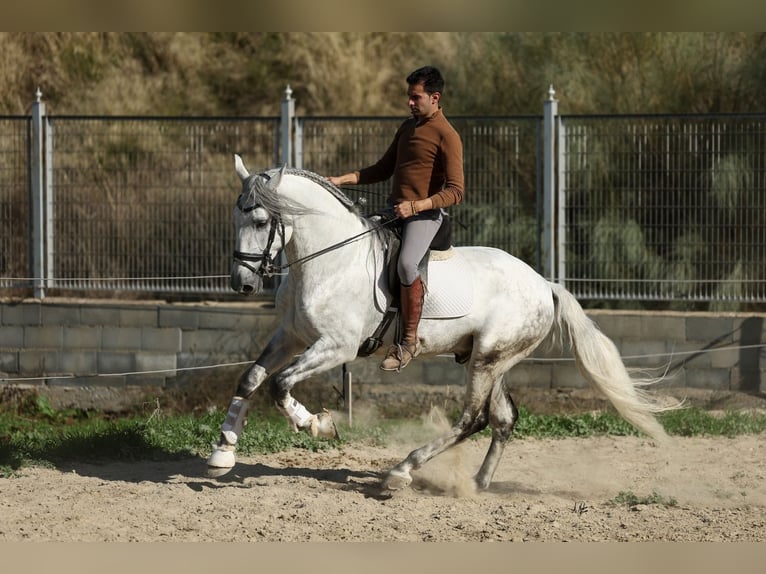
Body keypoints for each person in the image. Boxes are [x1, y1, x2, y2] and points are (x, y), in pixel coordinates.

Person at [327, 65, 464, 371]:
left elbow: (456, 192)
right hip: (394, 211)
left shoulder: (447, 135)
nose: (410, 103)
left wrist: (415, 207)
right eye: (409, 97)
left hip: (425, 217)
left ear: (435, 97)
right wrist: (342, 179)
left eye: (416, 97)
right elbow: (382, 169)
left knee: (405, 264)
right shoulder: (407, 127)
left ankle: (408, 342)